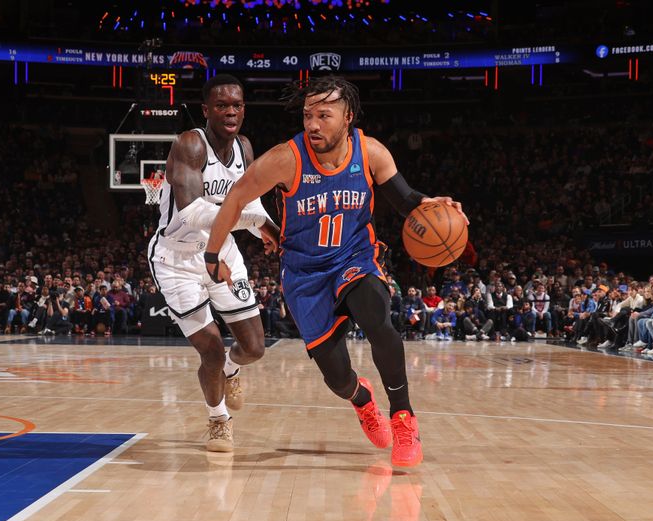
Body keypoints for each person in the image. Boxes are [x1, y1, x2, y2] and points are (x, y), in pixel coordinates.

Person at [204, 75, 467, 467]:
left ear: (348, 118)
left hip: (353, 259)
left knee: (380, 322)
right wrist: (212, 255)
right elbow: (236, 197)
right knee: (338, 378)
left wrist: (430, 203)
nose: (312, 124)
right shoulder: (286, 158)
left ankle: (403, 418)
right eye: (308, 115)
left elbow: (404, 199)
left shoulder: (371, 153)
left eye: (323, 115)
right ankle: (362, 400)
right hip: (304, 274)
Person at [146, 74, 279, 452]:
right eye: (222, 105)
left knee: (254, 347)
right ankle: (218, 418)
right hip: (178, 257)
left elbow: (249, 203)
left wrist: (271, 228)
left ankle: (232, 371)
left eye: (237, 105)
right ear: (206, 110)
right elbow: (190, 213)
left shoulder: (244, 148)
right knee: (212, 349)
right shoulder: (190, 144)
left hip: (222, 251)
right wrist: (246, 225)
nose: (231, 111)